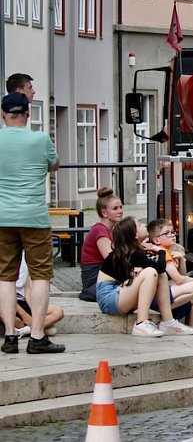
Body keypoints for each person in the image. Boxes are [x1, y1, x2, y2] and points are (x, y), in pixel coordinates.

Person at [0, 92, 65, 354]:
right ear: (28, 114)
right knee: (40, 275)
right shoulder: (40, 139)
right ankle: (37, 337)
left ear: (3, 115)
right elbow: (55, 165)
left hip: (2, 216)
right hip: (34, 218)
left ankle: (10, 337)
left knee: (5, 276)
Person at [96, 217, 193, 338]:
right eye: (139, 224)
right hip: (108, 297)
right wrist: (160, 251)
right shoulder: (132, 252)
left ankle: (168, 322)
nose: (144, 224)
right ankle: (141, 324)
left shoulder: (134, 250)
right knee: (150, 272)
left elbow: (160, 270)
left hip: (119, 293)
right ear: (135, 234)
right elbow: (160, 267)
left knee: (159, 274)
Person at [147, 219, 193, 328]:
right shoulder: (162, 253)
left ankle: (190, 329)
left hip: (159, 297)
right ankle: (165, 313)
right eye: (167, 233)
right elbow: (179, 280)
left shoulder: (167, 252)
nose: (172, 235)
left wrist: (181, 260)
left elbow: (182, 276)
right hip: (155, 301)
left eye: (173, 232)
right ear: (157, 240)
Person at [79, 187, 124, 301]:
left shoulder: (111, 230)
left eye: (120, 207)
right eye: (115, 208)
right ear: (104, 212)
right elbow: (112, 259)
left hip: (104, 277)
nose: (120, 211)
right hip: (95, 281)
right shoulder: (100, 231)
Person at [15, 257, 64, 337]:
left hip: (23, 301)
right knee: (13, 320)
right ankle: (39, 328)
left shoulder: (23, 258)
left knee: (58, 312)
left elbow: (27, 290)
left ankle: (25, 330)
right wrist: (24, 315)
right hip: (7, 304)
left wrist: (34, 310)